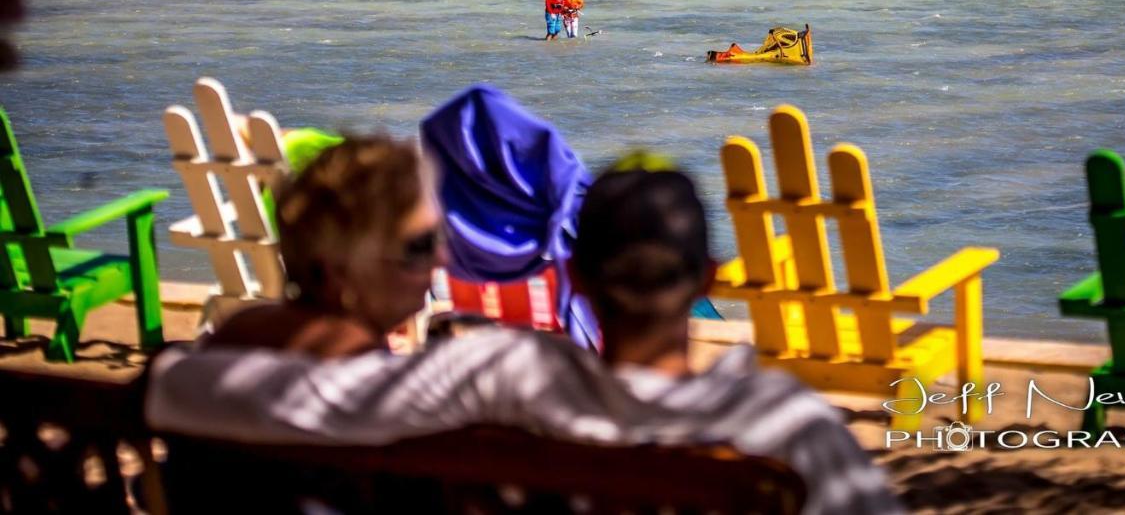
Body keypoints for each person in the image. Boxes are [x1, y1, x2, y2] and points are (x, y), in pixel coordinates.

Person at [146, 162, 900, 515]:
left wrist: (170, 370)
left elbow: (263, 396)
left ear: (575, 273)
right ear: (708, 280)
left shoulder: (500, 371)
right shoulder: (783, 425)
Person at [201, 134, 446, 358]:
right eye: (420, 246)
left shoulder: (237, 333)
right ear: (340, 269)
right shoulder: (364, 376)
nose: (444, 258)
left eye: (440, 236)